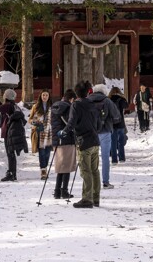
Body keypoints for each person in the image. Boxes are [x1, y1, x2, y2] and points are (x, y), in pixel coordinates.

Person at [68, 80, 101, 208]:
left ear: (76, 93)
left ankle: (87, 199)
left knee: (85, 170)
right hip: (95, 141)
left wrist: (63, 132)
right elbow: (99, 124)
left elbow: (71, 122)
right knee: (94, 170)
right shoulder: (93, 105)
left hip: (83, 142)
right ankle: (95, 197)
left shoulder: (76, 105)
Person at [0, 87, 28, 181]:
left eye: (4, 94)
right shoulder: (13, 105)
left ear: (7, 96)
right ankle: (12, 173)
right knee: (11, 153)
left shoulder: (7, 106)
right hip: (12, 132)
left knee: (10, 153)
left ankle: (11, 174)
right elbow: (1, 107)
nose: (3, 95)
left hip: (9, 132)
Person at [89, 83, 120, 189]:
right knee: (105, 157)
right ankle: (105, 182)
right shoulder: (107, 101)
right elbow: (116, 116)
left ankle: (92, 182)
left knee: (92, 157)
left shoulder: (88, 100)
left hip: (91, 133)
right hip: (105, 131)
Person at [51, 88, 76, 200]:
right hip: (67, 139)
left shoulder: (55, 107)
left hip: (57, 140)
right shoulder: (68, 108)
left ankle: (57, 191)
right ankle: (64, 191)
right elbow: (70, 123)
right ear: (71, 99)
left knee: (60, 166)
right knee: (66, 166)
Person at [29, 90, 53, 178]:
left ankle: (45, 167)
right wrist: (35, 123)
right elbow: (30, 119)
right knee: (42, 152)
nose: (45, 97)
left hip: (49, 132)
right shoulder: (35, 107)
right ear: (41, 96)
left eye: (46, 95)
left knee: (47, 152)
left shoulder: (52, 107)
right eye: (43, 95)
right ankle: (43, 170)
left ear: (49, 96)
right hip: (40, 132)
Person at [109, 86, 128, 163]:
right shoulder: (121, 99)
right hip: (120, 123)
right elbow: (126, 106)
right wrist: (123, 97)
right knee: (121, 141)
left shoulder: (108, 100)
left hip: (112, 124)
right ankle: (122, 158)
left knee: (113, 142)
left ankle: (114, 160)